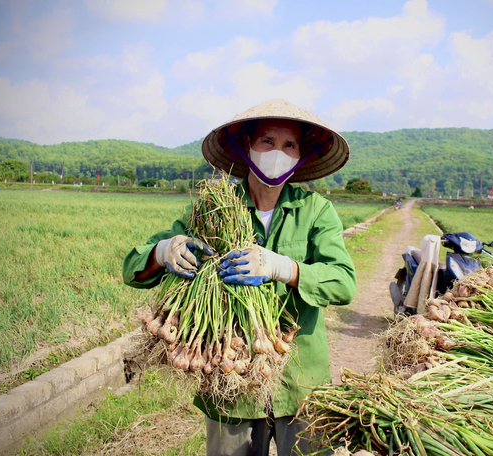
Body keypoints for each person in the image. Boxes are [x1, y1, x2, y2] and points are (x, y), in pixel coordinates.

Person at [122, 99, 357, 456]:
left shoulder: (316, 211)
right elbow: (132, 269)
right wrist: (162, 252)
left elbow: (343, 283)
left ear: (301, 155)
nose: (277, 152)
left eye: (289, 145)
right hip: (228, 375)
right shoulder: (215, 206)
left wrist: (285, 268)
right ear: (246, 146)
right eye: (267, 141)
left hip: (300, 379)